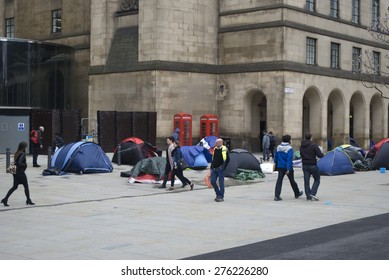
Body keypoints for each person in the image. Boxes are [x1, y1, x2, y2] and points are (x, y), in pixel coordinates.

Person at [1, 141, 35, 207]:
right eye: (26, 146)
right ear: (24, 147)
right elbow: (19, 163)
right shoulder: (22, 154)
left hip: (15, 172)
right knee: (26, 186)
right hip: (20, 173)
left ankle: (5, 199)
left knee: (15, 187)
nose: (27, 147)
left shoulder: (17, 152)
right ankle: (28, 200)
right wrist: (25, 164)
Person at [274, 134, 303, 201]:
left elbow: (276, 157)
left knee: (279, 181)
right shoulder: (289, 148)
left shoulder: (278, 147)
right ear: (289, 140)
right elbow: (289, 159)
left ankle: (277, 195)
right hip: (287, 167)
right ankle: (297, 193)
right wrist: (288, 169)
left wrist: (275, 164)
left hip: (280, 166)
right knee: (292, 180)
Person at [300, 133, 324, 201]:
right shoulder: (314, 145)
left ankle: (308, 196)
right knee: (317, 179)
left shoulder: (301, 146)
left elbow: (301, 154)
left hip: (305, 164)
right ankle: (313, 193)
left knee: (306, 181)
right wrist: (322, 154)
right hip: (312, 164)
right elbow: (320, 155)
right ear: (311, 138)